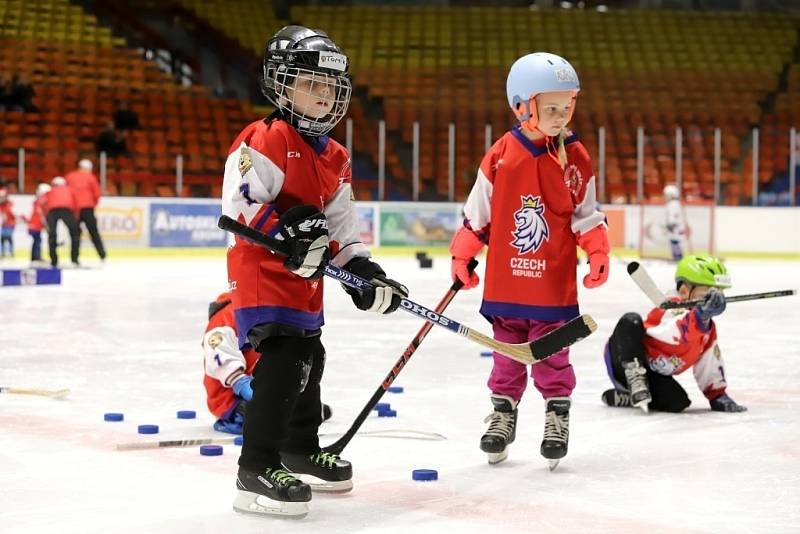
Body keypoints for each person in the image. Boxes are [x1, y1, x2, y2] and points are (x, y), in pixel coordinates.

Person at [221, 25, 408, 517]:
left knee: (310, 358)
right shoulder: (263, 139)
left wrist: (366, 272)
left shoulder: (337, 157)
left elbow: (343, 232)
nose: (323, 95)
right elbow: (240, 209)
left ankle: (299, 448)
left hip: (307, 283)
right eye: (311, 83)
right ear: (281, 83)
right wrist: (288, 230)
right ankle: (255, 467)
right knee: (284, 361)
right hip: (263, 272)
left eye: (329, 86)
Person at [449, 52, 610, 468]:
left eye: (567, 107)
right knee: (507, 353)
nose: (561, 116)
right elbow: (479, 211)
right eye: (550, 107)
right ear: (522, 106)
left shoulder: (576, 156)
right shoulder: (502, 153)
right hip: (507, 283)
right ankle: (503, 413)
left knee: (553, 354)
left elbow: (586, 213)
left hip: (553, 283)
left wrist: (597, 250)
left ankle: (556, 414)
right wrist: (464, 252)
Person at [601, 254, 746, 414]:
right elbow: (671, 332)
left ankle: (627, 398)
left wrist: (717, 395)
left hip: (653, 375)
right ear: (684, 291)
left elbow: (709, 360)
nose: (715, 297)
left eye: (719, 292)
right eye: (708, 292)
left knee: (678, 402)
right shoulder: (668, 309)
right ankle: (635, 377)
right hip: (622, 360)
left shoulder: (706, 329)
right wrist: (699, 317)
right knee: (630, 321)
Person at [203, 291, 332, 435]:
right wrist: (239, 381)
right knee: (267, 421)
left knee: (285, 405)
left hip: (258, 385)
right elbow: (218, 353)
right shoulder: (227, 317)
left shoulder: (262, 310)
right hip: (229, 398)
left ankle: (296, 408)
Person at [65, 159, 106, 261]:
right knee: (93, 232)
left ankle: (74, 258)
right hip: (87, 208)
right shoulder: (90, 177)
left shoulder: (69, 176)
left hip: (74, 209)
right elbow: (97, 193)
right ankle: (102, 255)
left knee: (75, 234)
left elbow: (65, 191)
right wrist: (93, 204)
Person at [42, 176, 81, 268]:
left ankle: (54, 260)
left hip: (52, 211)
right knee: (75, 233)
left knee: (52, 235)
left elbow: (43, 204)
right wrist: (76, 218)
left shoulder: (49, 192)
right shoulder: (70, 190)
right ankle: (74, 259)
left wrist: (46, 217)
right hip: (66, 210)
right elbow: (76, 204)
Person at [25, 183, 50, 265]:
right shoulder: (40, 202)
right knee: (37, 241)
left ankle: (35, 257)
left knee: (37, 240)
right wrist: (45, 224)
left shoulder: (37, 201)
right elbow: (40, 214)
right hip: (35, 226)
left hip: (34, 225)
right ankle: (36, 257)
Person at [663, 184, 686, 261]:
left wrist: (671, 225)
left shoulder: (673, 204)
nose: (665, 197)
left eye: (667, 195)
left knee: (675, 241)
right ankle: (677, 257)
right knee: (674, 241)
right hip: (675, 227)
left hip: (676, 227)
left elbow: (674, 216)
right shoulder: (674, 204)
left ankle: (678, 258)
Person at [0, 187, 15, 258]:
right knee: (3, 238)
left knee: (8, 237)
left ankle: (11, 252)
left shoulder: (10, 204)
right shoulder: (1, 205)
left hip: (10, 224)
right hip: (4, 224)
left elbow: (13, 214)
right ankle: (3, 252)